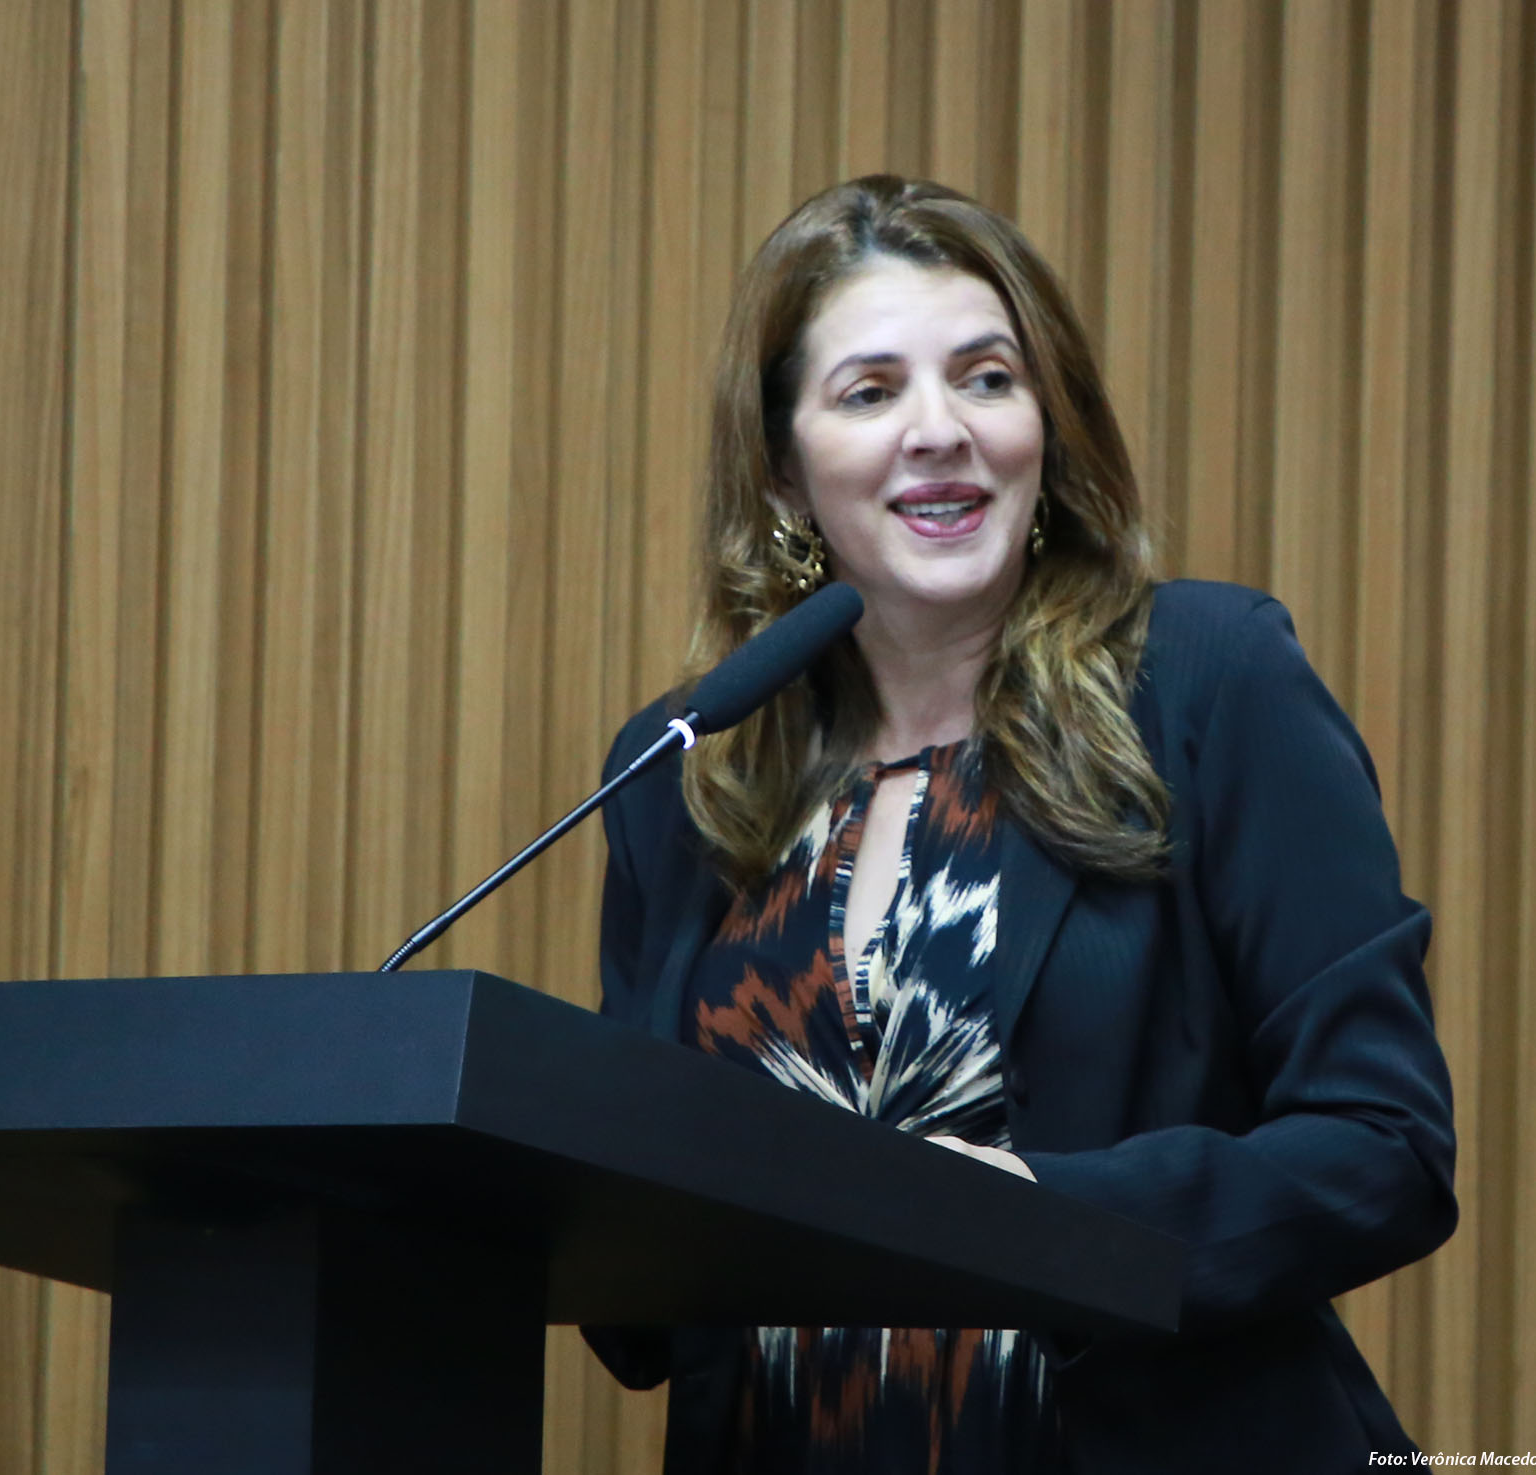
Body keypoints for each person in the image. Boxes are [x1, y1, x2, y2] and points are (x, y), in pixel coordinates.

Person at [583, 175, 1458, 1474]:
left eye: (987, 379)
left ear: (1046, 426)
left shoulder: (1206, 682)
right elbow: (635, 1275)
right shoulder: (688, 772)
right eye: (871, 393)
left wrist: (1046, 1219)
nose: (939, 430)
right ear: (783, 471)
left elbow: (1383, 1148)